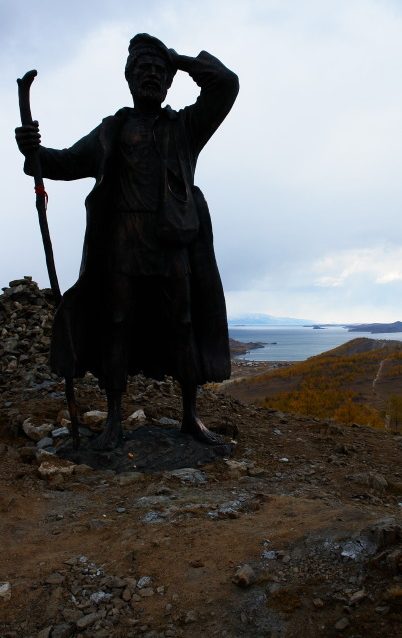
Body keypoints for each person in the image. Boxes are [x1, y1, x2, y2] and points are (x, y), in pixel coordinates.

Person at [15, 33, 239, 450]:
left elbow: (226, 84)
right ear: (129, 79)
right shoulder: (112, 130)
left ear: (169, 81)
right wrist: (34, 152)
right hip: (122, 242)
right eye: (143, 69)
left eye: (158, 70)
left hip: (172, 243)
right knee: (115, 325)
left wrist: (178, 58)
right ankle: (114, 420)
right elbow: (64, 162)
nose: (151, 75)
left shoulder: (186, 128)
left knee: (183, 326)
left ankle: (190, 416)